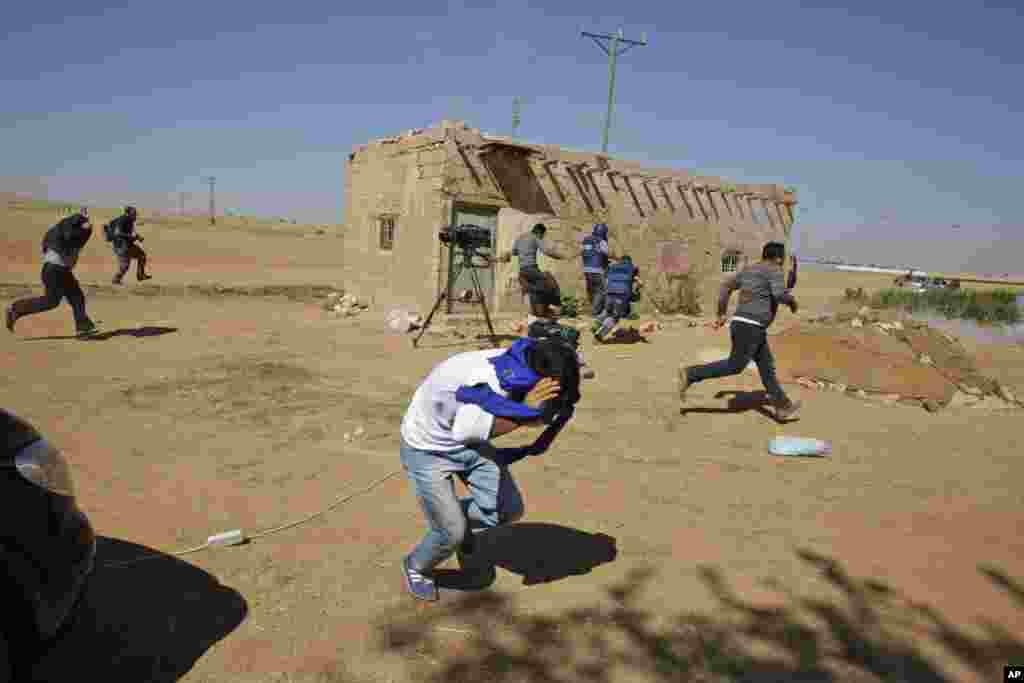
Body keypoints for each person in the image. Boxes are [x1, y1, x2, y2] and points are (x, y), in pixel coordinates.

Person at [399, 337, 580, 601]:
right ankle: (417, 565)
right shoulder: (491, 383)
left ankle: (452, 519)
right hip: (428, 448)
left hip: (467, 441)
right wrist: (527, 414)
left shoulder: (530, 360)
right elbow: (465, 431)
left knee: (508, 510)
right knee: (451, 532)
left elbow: (571, 367)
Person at [678, 242, 802, 421]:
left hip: (747, 326)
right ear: (778, 258)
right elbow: (779, 294)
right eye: (782, 259)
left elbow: (726, 287)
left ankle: (783, 407)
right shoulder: (774, 269)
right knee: (735, 365)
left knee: (767, 368)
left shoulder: (749, 270)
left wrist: (721, 313)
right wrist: (792, 302)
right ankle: (691, 374)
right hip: (751, 326)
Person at [6, 210, 98, 336]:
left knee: (74, 298)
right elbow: (72, 236)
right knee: (54, 301)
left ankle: (83, 327)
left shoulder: (57, 231)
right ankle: (15, 309)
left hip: (57, 269)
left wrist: (85, 226)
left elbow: (70, 240)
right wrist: (83, 222)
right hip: (56, 270)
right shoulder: (68, 230)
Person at [498, 223, 567, 321]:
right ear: (539, 232)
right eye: (542, 235)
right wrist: (560, 256)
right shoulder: (535, 237)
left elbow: (513, 253)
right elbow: (546, 251)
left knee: (534, 291)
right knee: (550, 285)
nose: (542, 237)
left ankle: (537, 314)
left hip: (522, 272)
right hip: (531, 269)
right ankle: (551, 309)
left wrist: (502, 257)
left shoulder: (520, 238)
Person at [592, 255, 641, 343]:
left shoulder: (612, 267)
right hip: (621, 295)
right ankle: (599, 335)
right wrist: (637, 289)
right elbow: (639, 282)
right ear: (629, 262)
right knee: (615, 317)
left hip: (609, 294)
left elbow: (605, 277)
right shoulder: (632, 268)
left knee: (608, 311)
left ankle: (596, 323)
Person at [107, 206, 151, 284]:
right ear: (128, 213)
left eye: (135, 214)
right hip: (121, 246)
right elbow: (118, 233)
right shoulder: (123, 219)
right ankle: (116, 280)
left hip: (127, 245)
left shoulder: (128, 220)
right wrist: (132, 237)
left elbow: (127, 233)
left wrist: (136, 237)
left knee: (141, 256)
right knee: (125, 266)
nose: (135, 215)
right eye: (134, 213)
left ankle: (140, 275)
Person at [580, 223, 614, 318]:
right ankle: (595, 313)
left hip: (586, 270)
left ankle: (593, 309)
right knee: (601, 290)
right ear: (603, 233)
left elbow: (583, 253)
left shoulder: (586, 240)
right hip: (597, 269)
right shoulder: (601, 241)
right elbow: (607, 253)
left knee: (592, 290)